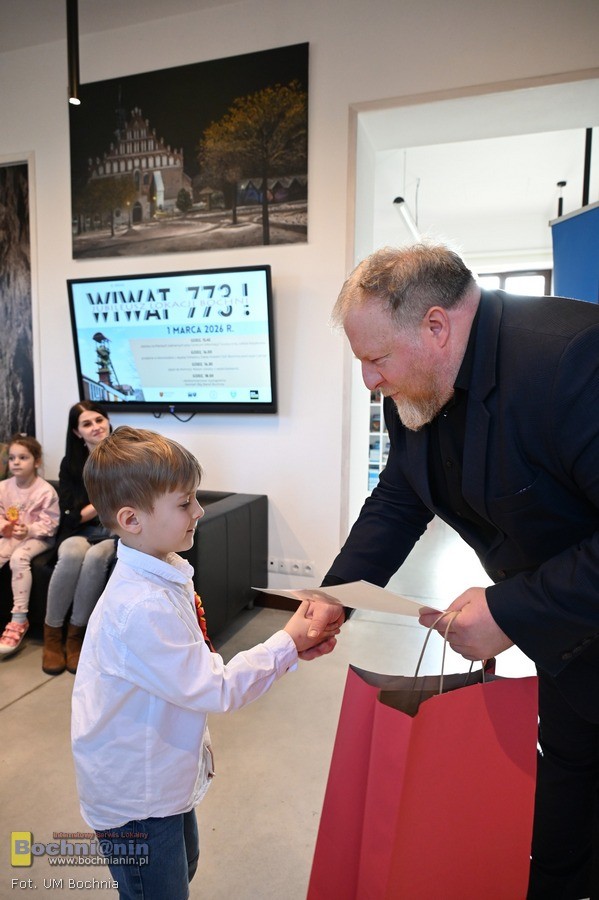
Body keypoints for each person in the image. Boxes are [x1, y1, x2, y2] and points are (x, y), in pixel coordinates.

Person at [305, 242, 599, 899]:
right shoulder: (416, 382)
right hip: (568, 652)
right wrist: (336, 594)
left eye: (376, 359)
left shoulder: (572, 359)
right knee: (558, 829)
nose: (369, 381)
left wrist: (508, 611)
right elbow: (401, 495)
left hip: (570, 620)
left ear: (435, 326)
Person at [71, 426, 339, 900]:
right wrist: (286, 642)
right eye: (184, 503)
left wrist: (290, 648)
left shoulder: (163, 572)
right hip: (136, 797)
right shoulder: (141, 606)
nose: (199, 511)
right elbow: (216, 687)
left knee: (184, 865)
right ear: (132, 519)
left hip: (162, 778)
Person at [42, 401, 116, 676]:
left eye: (99, 420)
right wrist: (102, 500)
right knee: (72, 553)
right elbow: (71, 517)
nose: (95, 427)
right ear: (77, 432)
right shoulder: (71, 464)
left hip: (114, 532)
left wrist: (89, 508)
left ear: (107, 421)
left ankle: (76, 636)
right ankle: (52, 636)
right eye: (87, 424)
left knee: (96, 557)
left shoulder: (126, 455)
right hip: (80, 532)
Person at [0, 434, 59, 656]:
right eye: (12, 458)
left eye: (23, 457)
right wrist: (4, 525)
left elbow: (50, 525)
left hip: (39, 539)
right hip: (11, 536)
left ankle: (19, 619)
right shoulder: (3, 487)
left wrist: (30, 530)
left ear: (36, 461)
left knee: (19, 558)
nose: (16, 462)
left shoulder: (45, 491)